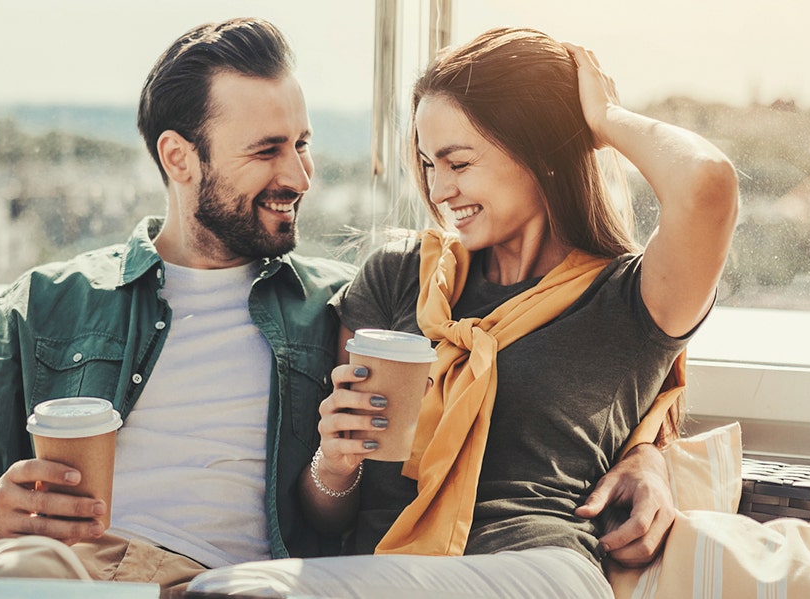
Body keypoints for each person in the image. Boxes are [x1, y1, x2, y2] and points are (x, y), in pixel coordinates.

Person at [188, 26, 738, 598]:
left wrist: (600, 119)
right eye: (428, 164)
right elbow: (332, 519)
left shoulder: (628, 298)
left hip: (537, 570)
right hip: (380, 571)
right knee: (228, 592)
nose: (440, 188)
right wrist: (335, 462)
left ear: (537, 150)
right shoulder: (402, 276)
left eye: (458, 162)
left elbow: (708, 184)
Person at [0, 17, 356, 594]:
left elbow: (369, 516)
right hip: (57, 572)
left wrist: (336, 469)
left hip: (231, 584)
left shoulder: (340, 308)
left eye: (302, 145)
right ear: (179, 159)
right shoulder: (46, 305)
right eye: (267, 151)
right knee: (19, 574)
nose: (301, 177)